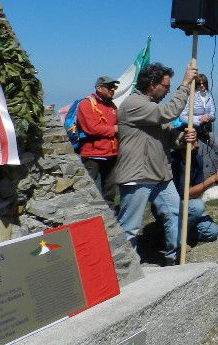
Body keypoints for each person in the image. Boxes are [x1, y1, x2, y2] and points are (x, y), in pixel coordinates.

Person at [114, 61, 196, 266]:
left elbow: (167, 136)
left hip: (160, 173)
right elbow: (168, 113)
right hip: (137, 174)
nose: (168, 91)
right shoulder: (133, 105)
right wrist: (185, 85)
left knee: (174, 212)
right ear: (152, 84)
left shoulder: (151, 107)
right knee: (130, 226)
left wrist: (182, 139)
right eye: (166, 86)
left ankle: (173, 258)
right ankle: (125, 267)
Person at [170, 146, 218, 245]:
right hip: (171, 205)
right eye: (193, 141)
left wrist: (214, 181)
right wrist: (212, 179)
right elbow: (184, 193)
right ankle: (174, 237)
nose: (197, 145)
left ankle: (173, 231)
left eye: (197, 140)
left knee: (212, 232)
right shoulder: (173, 161)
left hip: (187, 205)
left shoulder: (197, 159)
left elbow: (197, 192)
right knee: (198, 206)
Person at [77, 76, 120, 209]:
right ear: (98, 88)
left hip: (111, 154)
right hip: (92, 155)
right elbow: (92, 129)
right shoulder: (86, 104)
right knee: (91, 191)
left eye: (114, 87)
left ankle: (109, 219)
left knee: (110, 191)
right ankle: (93, 216)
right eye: (109, 86)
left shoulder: (112, 105)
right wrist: (115, 129)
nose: (112, 89)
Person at [179, 74, 218, 171]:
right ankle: (189, 178)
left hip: (205, 130)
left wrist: (208, 117)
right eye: (199, 84)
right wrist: (199, 119)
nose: (201, 85)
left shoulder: (209, 96)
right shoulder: (190, 96)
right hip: (192, 130)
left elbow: (213, 114)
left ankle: (212, 175)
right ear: (195, 85)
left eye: (203, 83)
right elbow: (183, 116)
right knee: (192, 155)